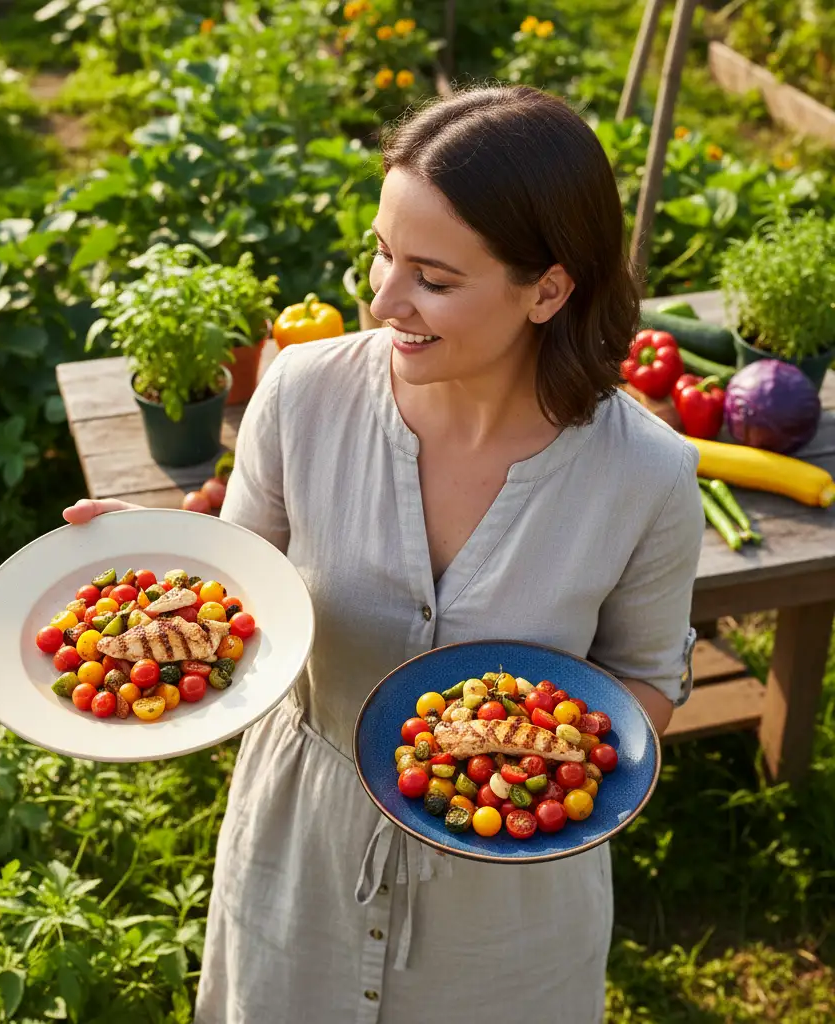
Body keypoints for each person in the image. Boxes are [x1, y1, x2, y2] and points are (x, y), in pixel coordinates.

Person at [63, 84, 703, 1023]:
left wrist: (522, 765)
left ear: (550, 289)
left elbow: (644, 680)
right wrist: (161, 567)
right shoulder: (303, 393)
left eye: (433, 279)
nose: (381, 298)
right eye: (381, 250)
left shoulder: (646, 474)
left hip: (506, 907)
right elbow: (237, 594)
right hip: (303, 852)